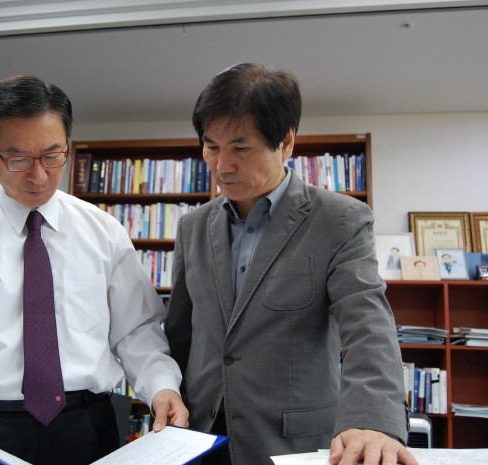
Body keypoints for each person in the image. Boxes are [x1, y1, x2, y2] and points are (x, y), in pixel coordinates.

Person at [0, 75, 188, 465]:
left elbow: (137, 331)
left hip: (89, 426)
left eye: (52, 155)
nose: (38, 175)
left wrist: (162, 387)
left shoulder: (104, 232)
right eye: (19, 158)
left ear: (67, 147)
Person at [164, 63, 416, 465]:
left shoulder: (339, 220)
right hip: (200, 436)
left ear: (286, 142)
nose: (222, 166)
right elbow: (180, 333)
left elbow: (368, 324)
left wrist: (372, 421)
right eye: (211, 147)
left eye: (241, 148)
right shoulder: (193, 226)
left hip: (292, 444)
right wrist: (165, 393)